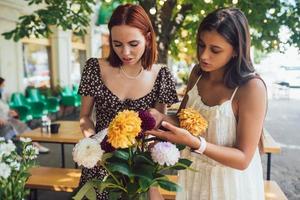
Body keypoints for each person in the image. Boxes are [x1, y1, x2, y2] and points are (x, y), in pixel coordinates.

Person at [147, 8, 267, 200]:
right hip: (194, 177)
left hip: (230, 186)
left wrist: (195, 143)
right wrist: (161, 118)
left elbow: (243, 158)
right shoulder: (197, 73)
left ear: (236, 49)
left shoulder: (251, 88)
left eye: (215, 50)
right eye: (201, 45)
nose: (203, 56)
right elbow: (182, 120)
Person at [78, 4, 178, 199]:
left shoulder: (161, 75)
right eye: (117, 44)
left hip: (139, 170)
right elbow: (84, 117)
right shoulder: (94, 67)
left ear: (148, 39)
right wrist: (91, 144)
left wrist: (151, 174)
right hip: (101, 164)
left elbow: (158, 128)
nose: (125, 52)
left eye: (133, 44)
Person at [0, 77, 50, 153]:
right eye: (2, 86)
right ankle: (25, 148)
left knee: (22, 125)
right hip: (3, 124)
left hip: (8, 119)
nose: (3, 87)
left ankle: (35, 145)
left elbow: (4, 110)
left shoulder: (1, 99)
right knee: (12, 127)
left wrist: (10, 112)